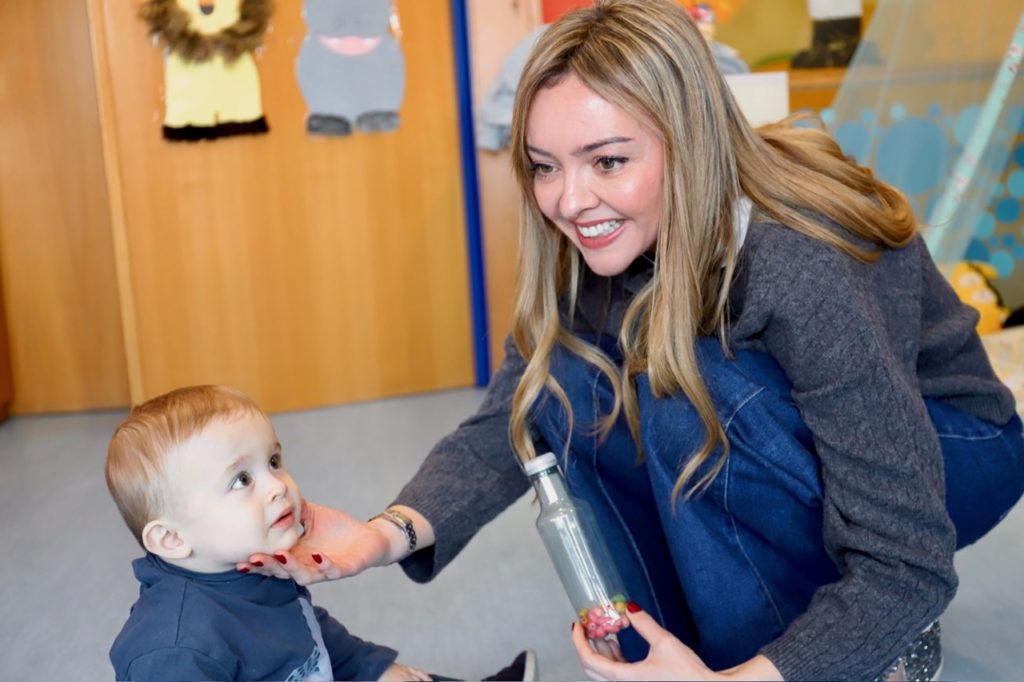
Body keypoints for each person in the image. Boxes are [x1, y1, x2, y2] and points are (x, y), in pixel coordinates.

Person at [240, 1, 1024, 680]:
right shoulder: (596, 242)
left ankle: (850, 653)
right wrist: (384, 534)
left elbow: (906, 557)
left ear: (690, 142)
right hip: (823, 431)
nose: (569, 201)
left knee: (684, 393)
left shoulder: (800, 262)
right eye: (544, 167)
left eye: (608, 161)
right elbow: (515, 413)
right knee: (578, 380)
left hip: (945, 449)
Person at [106, 385, 533, 681]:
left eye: (273, 462)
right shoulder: (174, 652)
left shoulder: (249, 567)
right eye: (242, 480)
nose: (278, 487)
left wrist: (374, 670)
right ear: (171, 539)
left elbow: (314, 637)